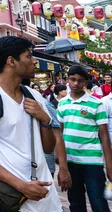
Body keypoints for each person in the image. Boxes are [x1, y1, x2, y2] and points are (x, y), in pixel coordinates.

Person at [0, 36, 62, 212]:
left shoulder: (33, 96)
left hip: (46, 196)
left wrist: (45, 120)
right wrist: (22, 186)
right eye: (29, 56)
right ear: (11, 61)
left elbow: (49, 148)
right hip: (12, 197)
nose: (35, 61)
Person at [57, 65, 112, 212]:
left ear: (86, 82)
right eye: (72, 79)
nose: (76, 84)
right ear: (67, 80)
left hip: (92, 161)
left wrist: (110, 165)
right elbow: (59, 134)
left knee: (98, 202)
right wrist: (61, 164)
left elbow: (104, 136)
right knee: (75, 202)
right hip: (70, 161)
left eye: (80, 81)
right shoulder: (62, 104)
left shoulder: (97, 104)